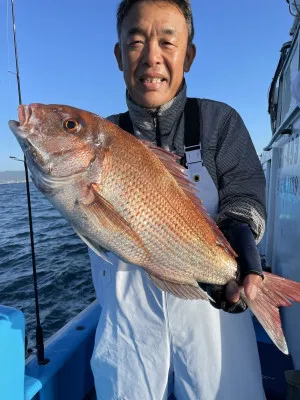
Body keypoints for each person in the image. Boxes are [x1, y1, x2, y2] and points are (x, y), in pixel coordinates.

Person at [89, 1, 267, 399]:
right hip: (127, 336)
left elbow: (245, 189)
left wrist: (239, 229)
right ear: (119, 55)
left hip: (215, 324)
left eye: (168, 43)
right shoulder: (102, 137)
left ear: (188, 55)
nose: (152, 57)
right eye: (136, 41)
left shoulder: (220, 122)